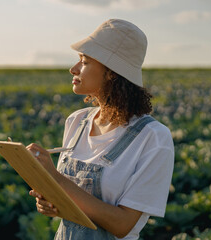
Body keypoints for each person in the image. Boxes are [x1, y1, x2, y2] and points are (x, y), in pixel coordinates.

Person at [27, 19, 174, 240]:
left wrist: (55, 179)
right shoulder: (77, 121)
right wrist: (52, 201)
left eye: (84, 62)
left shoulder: (153, 138)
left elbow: (123, 225)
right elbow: (73, 203)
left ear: (111, 72)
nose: (73, 69)